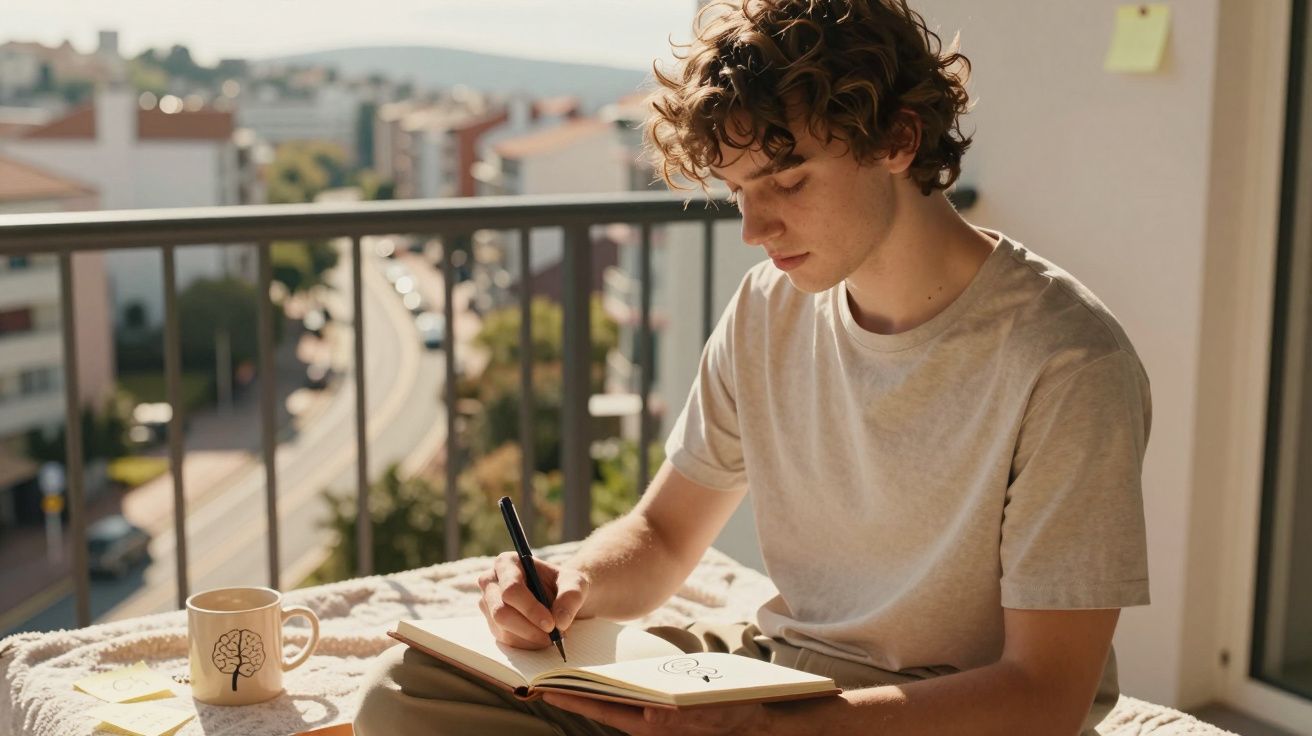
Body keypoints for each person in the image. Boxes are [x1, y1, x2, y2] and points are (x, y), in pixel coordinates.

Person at [353, 0, 1151, 733]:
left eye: (788, 181)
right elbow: (663, 534)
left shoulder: (1068, 362)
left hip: (928, 719)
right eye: (738, 191)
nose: (754, 227)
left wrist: (780, 730)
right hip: (777, 675)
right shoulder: (769, 307)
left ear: (899, 140)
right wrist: (574, 585)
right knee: (405, 692)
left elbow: (1045, 694)